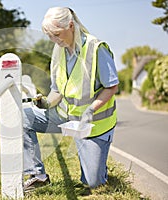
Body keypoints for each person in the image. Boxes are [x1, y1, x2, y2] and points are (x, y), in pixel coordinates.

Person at [23, 7, 119, 192]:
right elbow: (57, 90)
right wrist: (46, 103)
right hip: (66, 118)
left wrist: (91, 110)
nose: (55, 40)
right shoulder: (59, 50)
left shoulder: (96, 48)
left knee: (93, 183)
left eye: (57, 34)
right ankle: (38, 176)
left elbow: (111, 87)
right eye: (50, 36)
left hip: (92, 124)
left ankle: (98, 166)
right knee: (23, 116)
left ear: (71, 25)